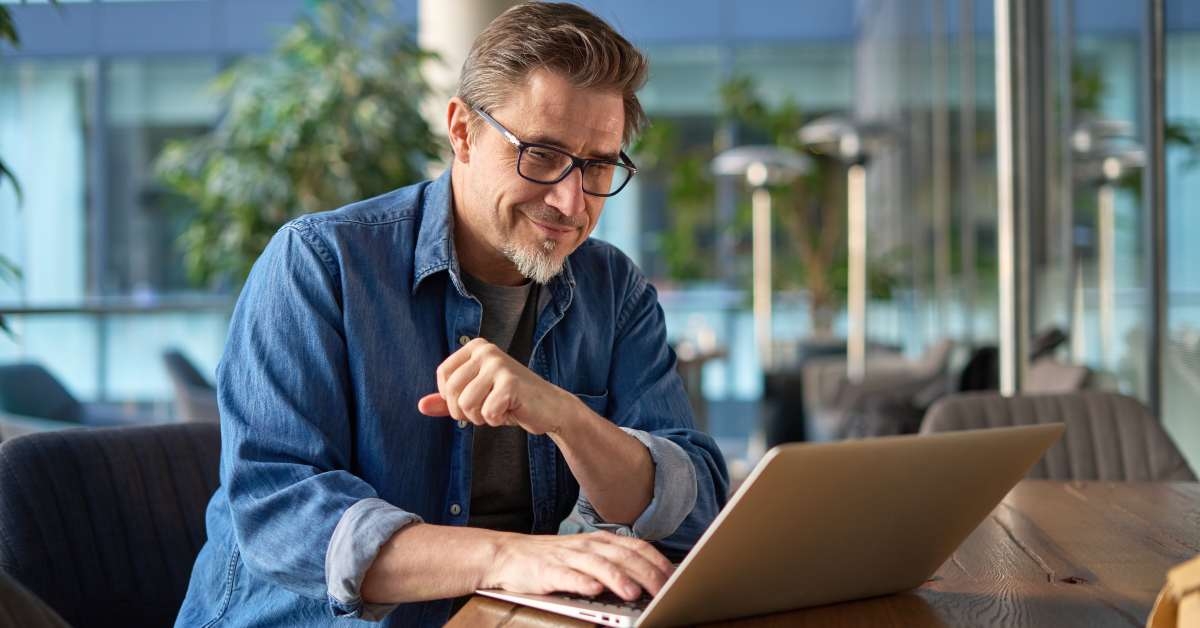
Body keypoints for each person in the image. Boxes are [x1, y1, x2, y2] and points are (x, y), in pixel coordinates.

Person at [175, 3, 728, 626]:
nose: (571, 201)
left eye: (597, 165)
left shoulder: (614, 289)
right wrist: (507, 557)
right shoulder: (320, 263)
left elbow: (697, 508)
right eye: (542, 154)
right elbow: (279, 511)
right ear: (462, 131)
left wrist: (568, 419)